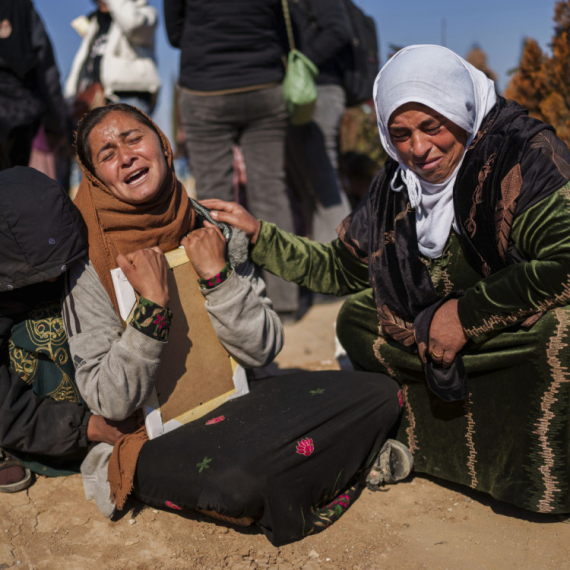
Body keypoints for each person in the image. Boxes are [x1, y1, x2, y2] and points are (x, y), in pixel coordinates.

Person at [203, 44, 570, 515]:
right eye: (400, 134)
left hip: (510, 340)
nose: (419, 149)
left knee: (560, 332)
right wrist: (261, 237)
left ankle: (531, 471)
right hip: (436, 343)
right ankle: (428, 448)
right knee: (357, 318)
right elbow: (339, 268)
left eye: (431, 126)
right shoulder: (394, 187)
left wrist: (464, 316)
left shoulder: (524, 156)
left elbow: (564, 263)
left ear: (460, 108)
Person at [63, 103, 402, 545]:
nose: (125, 156)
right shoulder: (88, 264)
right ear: (95, 177)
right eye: (107, 153)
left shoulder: (206, 225)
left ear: (163, 147)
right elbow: (109, 398)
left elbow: (263, 349)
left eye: (133, 138)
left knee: (379, 393)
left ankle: (303, 479)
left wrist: (219, 279)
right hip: (160, 436)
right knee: (240, 482)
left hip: (244, 401)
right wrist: (150, 310)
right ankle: (332, 467)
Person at [0, 167, 138, 493]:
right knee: (43, 328)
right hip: (21, 411)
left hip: (90, 399)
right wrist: (88, 427)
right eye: (44, 269)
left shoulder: (74, 252)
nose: (55, 274)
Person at [163, 0, 299, 319]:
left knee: (215, 200)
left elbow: (174, 34)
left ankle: (230, 298)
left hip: (205, 87)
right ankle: (286, 300)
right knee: (271, 191)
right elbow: (282, 26)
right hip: (264, 82)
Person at [286, 0, 352, 243]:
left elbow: (338, 30)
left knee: (325, 187)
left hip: (317, 88)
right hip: (300, 91)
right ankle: (324, 267)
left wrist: (298, 65)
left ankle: (347, 268)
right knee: (309, 189)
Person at [0, 0, 68, 169]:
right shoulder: (22, 8)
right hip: (20, 114)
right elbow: (46, 69)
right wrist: (56, 124)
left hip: (18, 116)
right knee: (12, 184)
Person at [65, 0, 160, 116]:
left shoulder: (145, 13)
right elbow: (83, 60)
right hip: (95, 99)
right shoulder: (95, 22)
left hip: (128, 95)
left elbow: (132, 24)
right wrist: (71, 93)